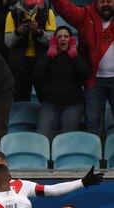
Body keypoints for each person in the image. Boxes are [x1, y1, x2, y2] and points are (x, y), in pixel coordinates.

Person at [49, 0, 114, 134]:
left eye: (109, 1)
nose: (106, 5)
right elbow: (63, 7)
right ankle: (94, 154)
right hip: (94, 81)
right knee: (91, 124)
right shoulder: (84, 15)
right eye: (102, 2)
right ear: (95, 2)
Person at [33, 26, 91, 140]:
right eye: (59, 37)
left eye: (66, 37)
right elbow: (36, 74)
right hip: (50, 104)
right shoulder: (47, 55)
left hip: (73, 104)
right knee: (41, 138)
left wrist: (75, 56)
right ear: (55, 40)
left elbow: (86, 74)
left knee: (66, 140)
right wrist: (49, 55)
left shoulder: (78, 54)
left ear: (71, 39)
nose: (63, 39)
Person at [4, 0, 56, 101]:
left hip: (42, 62)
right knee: (20, 99)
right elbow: (8, 42)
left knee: (46, 99)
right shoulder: (12, 13)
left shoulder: (48, 12)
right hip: (20, 64)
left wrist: (38, 32)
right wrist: (18, 32)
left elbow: (52, 41)